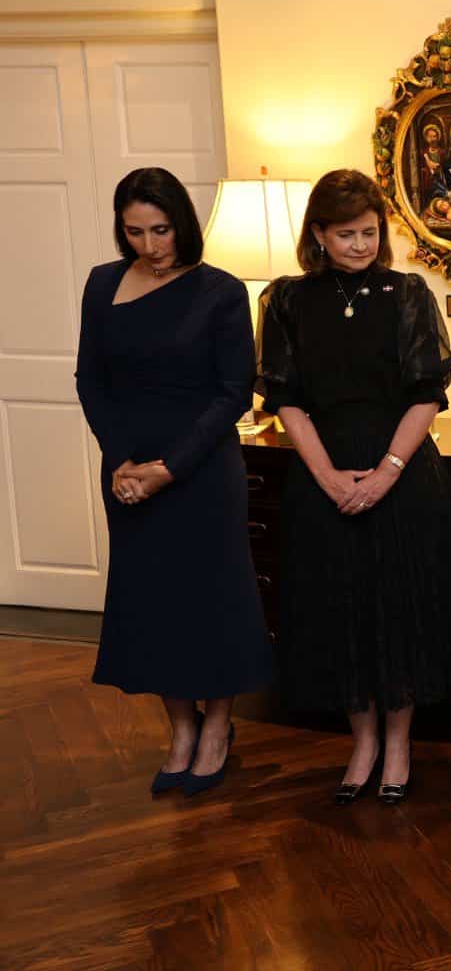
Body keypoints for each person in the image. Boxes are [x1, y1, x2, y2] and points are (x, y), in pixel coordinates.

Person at [256, 168, 451, 805]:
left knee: (396, 608)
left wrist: (385, 474)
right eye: (346, 234)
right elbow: (285, 399)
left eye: (370, 232)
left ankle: (399, 743)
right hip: (323, 472)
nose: (359, 244)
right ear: (318, 234)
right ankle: (363, 742)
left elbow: (428, 394)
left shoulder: (408, 294)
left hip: (401, 471)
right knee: (340, 609)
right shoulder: (288, 300)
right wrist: (326, 476)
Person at [75, 167, 274, 796]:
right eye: (134, 232)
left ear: (181, 224)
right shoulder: (102, 284)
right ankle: (180, 731)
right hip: (129, 470)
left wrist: (168, 468)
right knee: (154, 604)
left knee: (211, 602)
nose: (149, 245)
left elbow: (231, 392)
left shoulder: (219, 291)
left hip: (201, 471)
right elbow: (90, 379)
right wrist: (123, 462)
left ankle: (217, 728)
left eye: (160, 230)